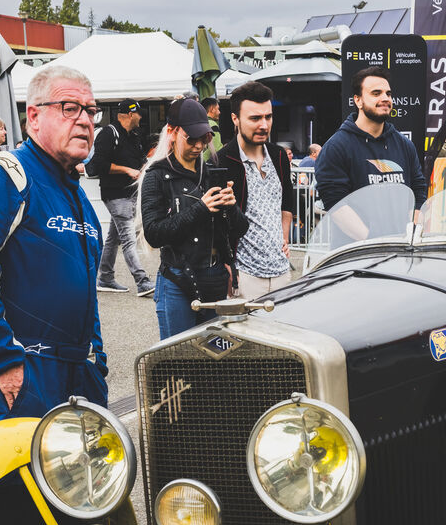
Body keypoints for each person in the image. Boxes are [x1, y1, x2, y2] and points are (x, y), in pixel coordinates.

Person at [0, 64, 108, 428]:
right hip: (24, 375)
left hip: (79, 376)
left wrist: (97, 361)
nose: (84, 121)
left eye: (91, 111)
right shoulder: (4, 175)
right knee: (15, 468)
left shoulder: (77, 195)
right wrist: (4, 360)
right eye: (69, 108)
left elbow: (86, 292)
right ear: (34, 117)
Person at [139, 97, 248, 340]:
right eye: (192, 138)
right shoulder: (156, 176)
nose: (199, 145)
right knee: (179, 358)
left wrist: (231, 207)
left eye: (205, 138)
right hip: (177, 280)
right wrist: (201, 209)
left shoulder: (211, 173)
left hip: (214, 279)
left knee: (213, 359)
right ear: (172, 132)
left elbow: (240, 229)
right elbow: (154, 233)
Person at [214, 81, 297, 299]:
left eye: (268, 117)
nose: (263, 125)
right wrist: (227, 262)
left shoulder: (279, 156)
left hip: (281, 272)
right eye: (255, 118)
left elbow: (286, 204)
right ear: (235, 119)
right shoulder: (222, 161)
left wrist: (284, 238)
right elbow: (216, 222)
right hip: (244, 275)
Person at [315, 65, 428, 209]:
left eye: (388, 94)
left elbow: (418, 191)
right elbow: (336, 204)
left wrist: (414, 222)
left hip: (402, 225)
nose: (385, 98)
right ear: (358, 100)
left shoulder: (405, 145)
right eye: (376, 93)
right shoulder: (336, 147)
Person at [89, 99, 155, 297]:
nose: (141, 118)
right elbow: (99, 164)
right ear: (130, 114)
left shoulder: (133, 136)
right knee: (128, 239)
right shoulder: (109, 133)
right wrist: (127, 170)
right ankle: (142, 281)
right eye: (139, 114)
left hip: (129, 194)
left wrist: (147, 165)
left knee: (113, 238)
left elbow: (139, 160)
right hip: (115, 194)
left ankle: (105, 278)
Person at [202, 96, 223, 163]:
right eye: (218, 109)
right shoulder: (212, 125)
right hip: (207, 163)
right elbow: (216, 149)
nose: (219, 112)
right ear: (212, 109)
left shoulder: (200, 123)